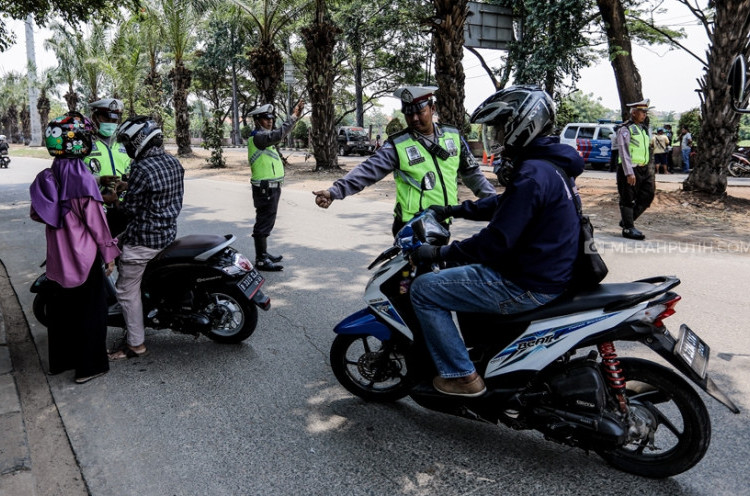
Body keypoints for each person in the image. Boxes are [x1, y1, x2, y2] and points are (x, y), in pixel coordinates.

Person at [408, 85, 584, 397]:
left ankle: (463, 377)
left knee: (424, 290)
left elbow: (494, 243)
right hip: (548, 270)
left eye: (501, 127)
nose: (498, 136)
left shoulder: (532, 173)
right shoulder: (550, 166)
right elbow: (506, 205)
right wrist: (453, 209)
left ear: (523, 125)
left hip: (525, 282)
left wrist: (438, 252)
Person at [313, 86, 495, 236]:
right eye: (409, 114)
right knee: (411, 278)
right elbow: (367, 171)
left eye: (420, 112)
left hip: (442, 222)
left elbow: (473, 175)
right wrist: (335, 191)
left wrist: (498, 203)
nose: (414, 118)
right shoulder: (398, 144)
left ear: (433, 109)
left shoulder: (453, 136)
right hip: (410, 224)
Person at [29, 112, 120, 383]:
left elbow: (38, 214)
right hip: (84, 257)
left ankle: (61, 362)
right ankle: (90, 367)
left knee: (61, 313)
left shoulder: (49, 174)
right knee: (91, 312)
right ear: (82, 142)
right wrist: (109, 253)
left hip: (57, 258)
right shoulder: (83, 177)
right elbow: (97, 223)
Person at [108, 116, 184, 360]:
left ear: (140, 141)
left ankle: (135, 344)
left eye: (129, 143)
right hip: (167, 233)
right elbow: (155, 190)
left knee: (125, 290)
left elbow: (129, 210)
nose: (127, 148)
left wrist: (110, 199)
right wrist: (127, 185)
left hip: (143, 240)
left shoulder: (141, 168)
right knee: (114, 242)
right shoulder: (173, 162)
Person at [247, 100, 305, 271]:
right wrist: (294, 117)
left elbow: (280, 134)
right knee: (264, 221)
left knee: (267, 220)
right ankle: (261, 259)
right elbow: (280, 134)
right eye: (266, 118)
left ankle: (263, 253)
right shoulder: (258, 137)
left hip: (270, 186)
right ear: (257, 120)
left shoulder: (264, 137)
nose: (270, 120)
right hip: (265, 187)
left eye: (271, 117)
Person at [84, 98, 131, 236]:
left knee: (121, 250)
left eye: (115, 119)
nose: (111, 123)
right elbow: (76, 178)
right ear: (95, 117)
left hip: (122, 207)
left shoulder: (125, 144)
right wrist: (99, 180)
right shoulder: (85, 145)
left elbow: (132, 172)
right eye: (106, 118)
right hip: (94, 209)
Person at [615, 99, 654, 241]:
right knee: (627, 198)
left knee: (648, 195)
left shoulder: (643, 129)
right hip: (630, 169)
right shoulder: (625, 128)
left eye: (645, 112)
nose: (644, 115)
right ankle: (628, 228)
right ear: (634, 112)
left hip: (643, 169)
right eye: (642, 112)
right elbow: (624, 152)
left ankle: (627, 220)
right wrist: (629, 172)